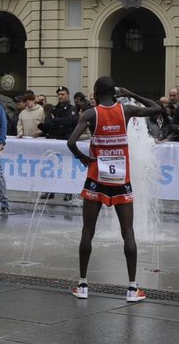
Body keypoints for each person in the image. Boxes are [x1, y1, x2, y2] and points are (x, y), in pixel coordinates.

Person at [66, 78, 166, 303]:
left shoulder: (91, 114)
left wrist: (83, 158)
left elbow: (71, 142)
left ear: (94, 93)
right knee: (128, 232)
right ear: (115, 93)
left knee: (87, 231)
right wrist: (130, 91)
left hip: (96, 177)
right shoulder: (127, 110)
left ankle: (82, 284)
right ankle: (132, 288)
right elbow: (156, 108)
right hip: (121, 179)